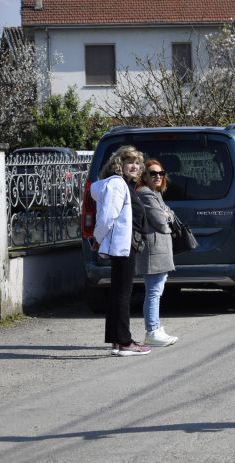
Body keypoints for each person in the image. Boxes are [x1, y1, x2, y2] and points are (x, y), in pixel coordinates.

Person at [90, 146, 151, 356]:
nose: (135, 166)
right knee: (123, 294)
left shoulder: (123, 184)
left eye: (137, 163)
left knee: (118, 292)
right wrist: (97, 238)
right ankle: (125, 342)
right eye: (130, 162)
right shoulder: (117, 184)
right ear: (119, 164)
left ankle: (116, 341)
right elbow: (108, 216)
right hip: (122, 245)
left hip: (123, 244)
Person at [135, 159, 179, 347]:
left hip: (160, 248)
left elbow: (169, 213)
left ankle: (156, 327)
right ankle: (152, 331)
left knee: (157, 290)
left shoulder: (155, 194)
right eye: (153, 173)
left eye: (161, 173)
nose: (158, 177)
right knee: (153, 291)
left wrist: (166, 214)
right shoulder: (145, 193)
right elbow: (162, 221)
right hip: (153, 250)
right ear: (144, 176)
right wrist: (166, 215)